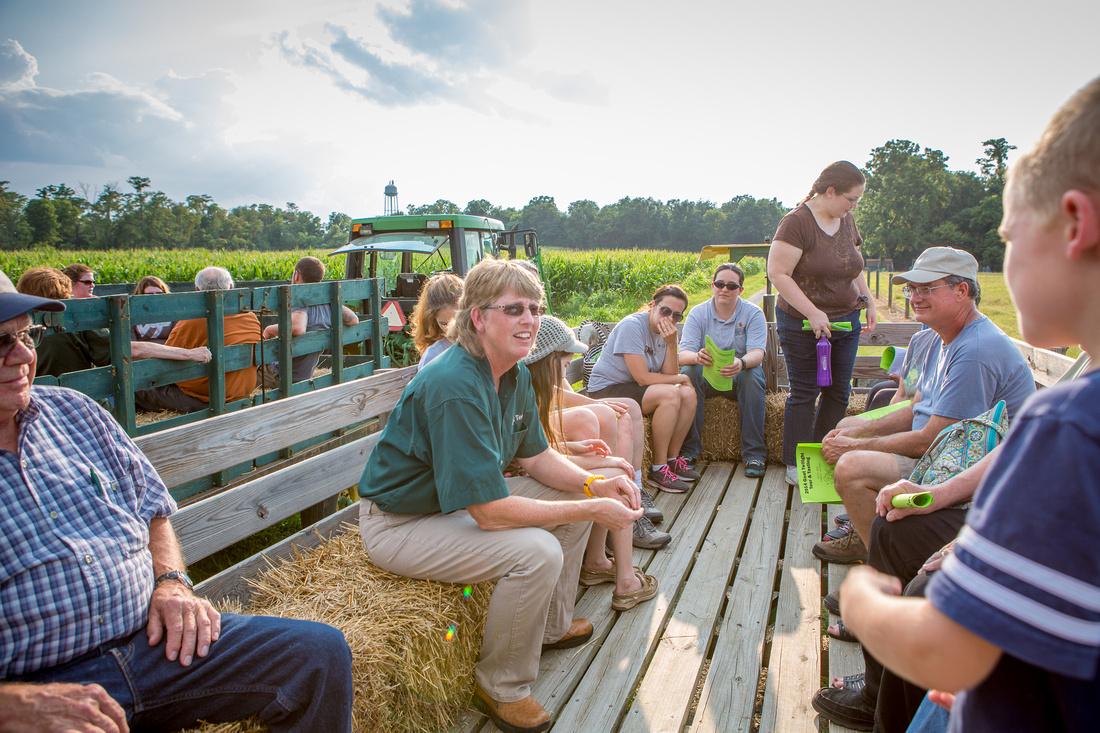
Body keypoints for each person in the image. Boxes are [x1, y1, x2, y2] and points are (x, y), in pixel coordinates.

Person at [841, 75, 1100, 733]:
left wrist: (864, 601)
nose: (1003, 268)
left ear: (1074, 223)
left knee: (903, 564)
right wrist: (947, 499)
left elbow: (940, 646)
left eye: (1010, 238)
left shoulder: (1070, 421)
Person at [0, 269, 354, 732]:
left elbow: (154, 509)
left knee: (319, 655)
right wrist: (17, 705)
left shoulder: (75, 412)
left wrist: (171, 581)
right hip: (41, 680)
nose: (25, 354)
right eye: (1, 342)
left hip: (154, 644)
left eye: (27, 334)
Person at [358, 258, 644, 733]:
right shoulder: (455, 384)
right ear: (478, 318)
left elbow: (536, 458)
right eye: (514, 309)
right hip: (401, 523)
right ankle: (501, 686)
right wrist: (594, 505)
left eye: (534, 308)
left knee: (565, 495)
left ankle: (552, 625)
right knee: (535, 551)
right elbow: (489, 514)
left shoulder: (510, 372)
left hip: (446, 507)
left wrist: (591, 482)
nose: (529, 319)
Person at [812, 246, 1034, 564]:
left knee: (852, 467)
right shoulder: (934, 338)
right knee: (847, 429)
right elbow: (916, 406)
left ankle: (884, 567)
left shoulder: (975, 350)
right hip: (943, 453)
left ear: (962, 291)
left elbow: (933, 436)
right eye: (912, 288)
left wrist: (853, 447)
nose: (914, 296)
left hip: (976, 473)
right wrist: (858, 433)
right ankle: (869, 537)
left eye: (927, 288)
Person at [522, 315, 661, 601]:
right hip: (525, 478)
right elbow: (530, 457)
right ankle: (625, 580)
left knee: (614, 460)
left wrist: (580, 450)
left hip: (534, 464)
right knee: (613, 472)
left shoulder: (522, 384)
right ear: (550, 360)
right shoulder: (518, 391)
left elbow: (535, 451)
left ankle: (601, 560)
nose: (567, 364)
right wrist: (593, 463)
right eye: (565, 359)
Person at [767, 161, 877, 486]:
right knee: (804, 391)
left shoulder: (845, 220)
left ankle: (821, 453)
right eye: (851, 199)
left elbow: (854, 265)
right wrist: (813, 312)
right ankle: (795, 461)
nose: (853, 206)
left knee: (839, 392)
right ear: (830, 191)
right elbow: (779, 274)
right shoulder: (796, 223)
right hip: (801, 323)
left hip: (845, 322)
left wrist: (868, 298)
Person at [587, 284, 700, 493]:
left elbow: (668, 374)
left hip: (634, 387)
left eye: (677, 316)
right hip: (608, 388)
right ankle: (658, 468)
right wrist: (682, 377)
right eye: (665, 311)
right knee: (671, 395)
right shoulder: (632, 326)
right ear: (653, 305)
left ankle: (672, 459)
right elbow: (642, 378)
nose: (669, 319)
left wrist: (672, 344)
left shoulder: (666, 334)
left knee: (688, 394)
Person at [16, 267, 211, 379]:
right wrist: (189, 353)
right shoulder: (75, 320)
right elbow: (129, 349)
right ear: (64, 292)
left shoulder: (14, 324)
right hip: (81, 397)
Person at [678, 263, 768, 478]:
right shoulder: (698, 314)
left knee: (753, 374)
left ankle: (754, 454)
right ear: (712, 286)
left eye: (731, 286)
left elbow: (757, 353)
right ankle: (689, 451)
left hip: (738, 378)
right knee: (687, 373)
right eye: (720, 284)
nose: (724, 289)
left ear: (741, 290)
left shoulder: (753, 313)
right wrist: (697, 357)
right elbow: (683, 354)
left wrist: (742, 363)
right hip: (706, 378)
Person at [135, 267, 260, 414]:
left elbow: (164, 365)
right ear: (231, 287)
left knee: (135, 388)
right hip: (242, 392)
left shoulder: (190, 322)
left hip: (205, 398)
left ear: (196, 289)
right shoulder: (250, 317)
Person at [259, 256, 358, 386]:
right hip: (304, 375)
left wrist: (268, 330)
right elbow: (353, 320)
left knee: (242, 368)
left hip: (281, 375)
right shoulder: (329, 303)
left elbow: (298, 328)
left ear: (296, 275)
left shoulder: (300, 298)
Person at [411, 272, 463, 369]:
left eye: (457, 321)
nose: (451, 330)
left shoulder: (481, 345)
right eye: (444, 323)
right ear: (433, 321)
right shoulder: (433, 356)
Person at [131, 275, 174, 343]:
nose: (155, 297)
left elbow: (177, 338)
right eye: (150, 294)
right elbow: (131, 343)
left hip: (169, 350)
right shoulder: (132, 312)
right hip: (142, 351)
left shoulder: (174, 311)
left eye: (159, 293)